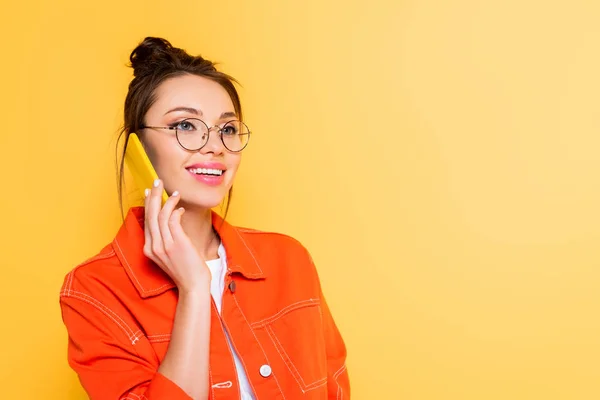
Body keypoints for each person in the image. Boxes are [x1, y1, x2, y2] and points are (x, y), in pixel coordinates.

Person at [58, 37, 350, 400]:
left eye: (227, 129)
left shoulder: (288, 260)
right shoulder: (93, 291)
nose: (215, 146)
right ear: (138, 148)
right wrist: (194, 289)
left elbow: (335, 387)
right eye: (185, 126)